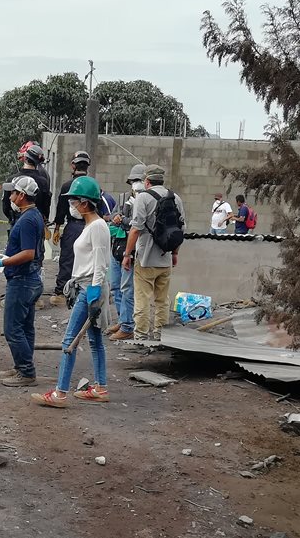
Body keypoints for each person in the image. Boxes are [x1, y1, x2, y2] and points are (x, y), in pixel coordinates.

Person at [31, 177, 112, 408]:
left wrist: (95, 291)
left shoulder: (96, 226)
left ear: (85, 203)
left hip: (90, 288)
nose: (72, 206)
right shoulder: (92, 225)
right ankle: (100, 387)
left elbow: (100, 263)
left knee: (70, 341)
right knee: (95, 340)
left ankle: (60, 393)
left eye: (74, 201)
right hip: (87, 287)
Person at [0, 176, 46, 387]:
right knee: (25, 327)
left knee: (13, 328)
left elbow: (29, 253)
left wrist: (1, 262)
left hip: (22, 280)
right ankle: (22, 367)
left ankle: (26, 372)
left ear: (21, 195)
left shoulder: (28, 219)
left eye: (12, 193)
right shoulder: (32, 216)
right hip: (29, 278)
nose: (10, 196)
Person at [123, 165, 185, 341]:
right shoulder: (176, 198)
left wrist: (127, 255)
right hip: (165, 258)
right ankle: (160, 334)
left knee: (142, 299)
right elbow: (182, 228)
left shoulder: (143, 197)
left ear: (147, 181)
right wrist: (175, 253)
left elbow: (136, 229)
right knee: (162, 300)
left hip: (145, 259)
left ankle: (141, 335)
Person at [106, 162, 146, 342]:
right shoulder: (122, 198)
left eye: (139, 180)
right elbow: (112, 219)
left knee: (128, 288)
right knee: (116, 286)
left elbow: (139, 225)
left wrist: (125, 220)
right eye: (133, 180)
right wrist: (117, 219)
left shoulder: (147, 201)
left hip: (132, 250)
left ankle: (128, 325)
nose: (135, 184)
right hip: (117, 247)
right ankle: (123, 320)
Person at [50, 150, 92, 302]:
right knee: (89, 258)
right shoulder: (93, 184)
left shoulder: (67, 186)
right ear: (88, 166)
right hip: (90, 225)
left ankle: (61, 291)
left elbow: (61, 210)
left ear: (73, 165)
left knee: (67, 257)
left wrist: (56, 229)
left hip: (73, 227)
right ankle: (84, 290)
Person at [2, 142, 52, 225]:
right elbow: (46, 207)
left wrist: (13, 218)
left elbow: (5, 207)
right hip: (37, 221)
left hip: (16, 220)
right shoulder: (43, 182)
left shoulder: (12, 180)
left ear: (25, 158)